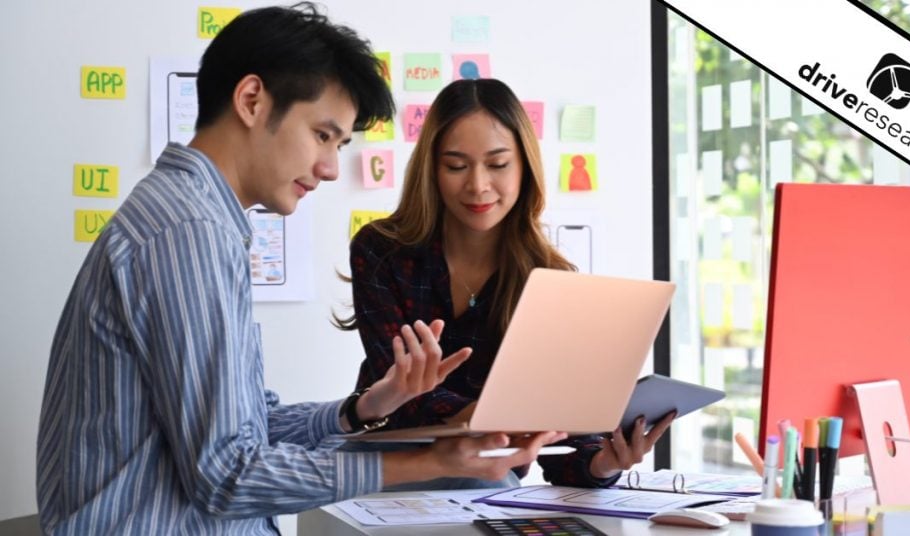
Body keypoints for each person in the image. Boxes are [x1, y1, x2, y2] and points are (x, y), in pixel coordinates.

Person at [36, 6, 562, 534]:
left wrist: (363, 408)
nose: (331, 168)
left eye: (340, 145)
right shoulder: (188, 233)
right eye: (322, 135)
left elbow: (248, 429)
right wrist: (429, 462)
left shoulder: (196, 219)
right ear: (251, 101)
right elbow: (227, 474)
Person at [340, 78, 673, 488]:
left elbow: (562, 450)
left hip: (488, 477)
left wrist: (606, 461)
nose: (478, 185)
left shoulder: (551, 278)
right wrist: (490, 418)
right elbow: (395, 387)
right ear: (431, 169)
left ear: (524, 167)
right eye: (456, 166)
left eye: (498, 165)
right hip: (386, 464)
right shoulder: (380, 251)